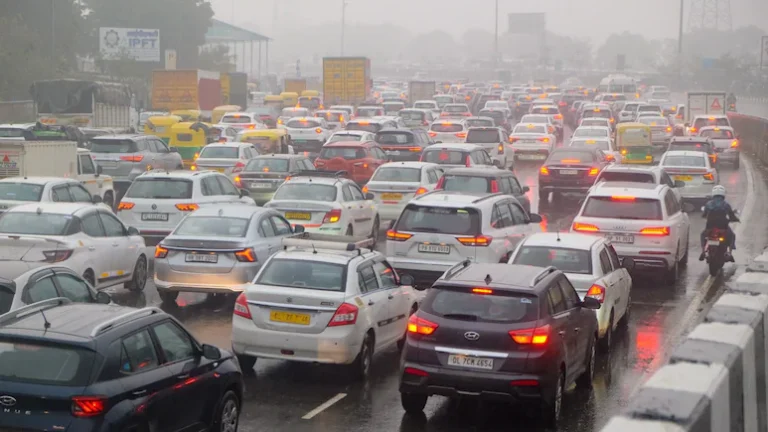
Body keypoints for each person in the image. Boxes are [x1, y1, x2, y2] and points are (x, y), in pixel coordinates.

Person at [699, 185, 739, 262]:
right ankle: (730, 253)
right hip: (723, 228)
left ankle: (703, 251)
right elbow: (731, 216)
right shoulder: (726, 205)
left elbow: (704, 215)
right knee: (732, 236)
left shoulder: (708, 204)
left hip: (710, 228)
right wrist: (736, 219)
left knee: (702, 235)